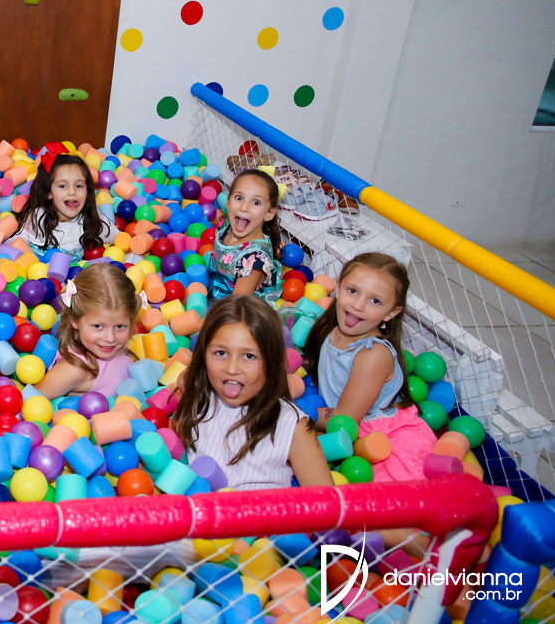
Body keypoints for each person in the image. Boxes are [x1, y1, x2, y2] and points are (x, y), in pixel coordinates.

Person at [172, 294, 333, 490]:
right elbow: (185, 379)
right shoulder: (201, 398)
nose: (232, 368)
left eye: (249, 356)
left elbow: (326, 501)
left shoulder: (292, 427)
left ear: (272, 362)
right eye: (220, 353)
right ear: (203, 356)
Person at [302, 253, 433, 482]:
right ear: (338, 287)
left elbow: (344, 418)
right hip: (343, 434)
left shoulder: (373, 354)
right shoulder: (331, 328)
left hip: (383, 443)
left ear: (391, 312)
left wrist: (290, 408)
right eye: (352, 291)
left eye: (375, 301)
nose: (358, 305)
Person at [35, 263, 140, 400]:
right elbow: (28, 402)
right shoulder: (74, 370)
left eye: (120, 326)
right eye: (98, 326)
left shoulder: (118, 349)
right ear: (75, 320)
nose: (110, 338)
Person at [10, 148, 115, 261]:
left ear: (87, 191)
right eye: (63, 186)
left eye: (79, 186)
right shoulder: (37, 218)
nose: (72, 192)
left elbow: (118, 240)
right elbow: (13, 245)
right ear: (49, 192)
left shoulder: (90, 218)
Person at [205, 168, 284, 303]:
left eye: (256, 202)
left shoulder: (253, 261)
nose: (244, 207)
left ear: (269, 213)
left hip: (235, 306)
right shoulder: (226, 225)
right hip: (212, 287)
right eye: (239, 198)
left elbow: (236, 305)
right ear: (228, 202)